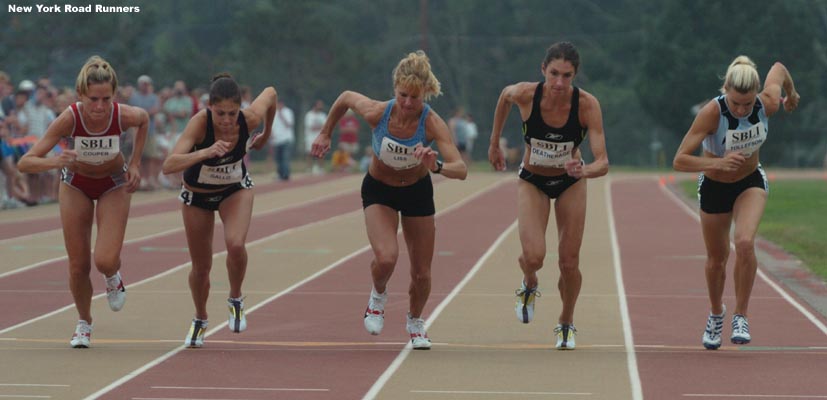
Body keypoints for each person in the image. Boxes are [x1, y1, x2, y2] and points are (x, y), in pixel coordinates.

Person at [311, 50, 467, 350]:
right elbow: (344, 97)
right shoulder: (377, 112)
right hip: (379, 190)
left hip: (417, 192)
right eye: (403, 95)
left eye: (415, 97)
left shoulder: (432, 123)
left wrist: (435, 166)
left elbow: (460, 169)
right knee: (386, 257)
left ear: (426, 94)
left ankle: (415, 321)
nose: (408, 104)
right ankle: (377, 296)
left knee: (422, 272)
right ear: (395, 89)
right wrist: (325, 133)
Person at [17, 56, 149, 348]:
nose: (100, 107)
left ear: (114, 96)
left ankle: (113, 275)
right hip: (75, 186)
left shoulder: (122, 115)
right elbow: (25, 163)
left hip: (113, 184)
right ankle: (84, 322)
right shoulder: (69, 118)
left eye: (106, 98)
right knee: (78, 265)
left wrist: (136, 163)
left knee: (104, 259)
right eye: (93, 100)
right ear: (80, 96)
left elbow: (144, 120)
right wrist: (56, 161)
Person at [488, 42, 608, 350]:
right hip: (533, 181)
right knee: (534, 257)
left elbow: (603, 161)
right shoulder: (526, 94)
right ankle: (529, 284)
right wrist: (493, 144)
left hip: (570, 182)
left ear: (575, 76)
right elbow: (503, 97)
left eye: (566, 76)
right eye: (554, 74)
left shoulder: (587, 105)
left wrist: (585, 170)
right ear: (543, 70)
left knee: (569, 262)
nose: (558, 83)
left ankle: (566, 323)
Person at [673, 56, 799, 350]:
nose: (742, 109)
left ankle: (741, 315)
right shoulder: (711, 113)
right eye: (736, 103)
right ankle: (717, 313)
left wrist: (790, 94)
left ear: (756, 93)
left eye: (747, 103)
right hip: (715, 186)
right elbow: (680, 160)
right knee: (717, 260)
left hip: (750, 182)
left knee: (744, 243)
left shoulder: (766, 103)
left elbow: (779, 68)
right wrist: (717, 164)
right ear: (725, 89)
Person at [162, 73, 276, 348]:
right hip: (197, 196)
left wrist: (265, 134)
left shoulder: (248, 120)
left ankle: (235, 299)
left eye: (231, 113)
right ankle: (200, 318)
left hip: (234, 190)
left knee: (235, 244)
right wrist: (204, 152)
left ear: (240, 109)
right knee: (201, 268)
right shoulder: (199, 125)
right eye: (220, 113)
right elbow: (169, 165)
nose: (226, 120)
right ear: (209, 107)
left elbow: (271, 92)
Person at [269, 99, 295, 181]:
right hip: (277, 140)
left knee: (285, 158)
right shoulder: (273, 113)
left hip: (286, 139)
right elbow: (271, 125)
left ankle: (286, 175)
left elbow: (289, 124)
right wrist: (271, 135)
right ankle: (280, 174)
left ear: (282, 104)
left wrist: (281, 116)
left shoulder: (288, 112)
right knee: (278, 158)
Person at [304, 99, 327, 174]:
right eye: (319, 104)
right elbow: (310, 127)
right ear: (315, 105)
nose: (321, 106)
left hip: (320, 137)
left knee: (321, 153)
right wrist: (320, 127)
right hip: (310, 137)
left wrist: (319, 128)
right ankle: (309, 168)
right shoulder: (309, 115)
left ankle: (321, 168)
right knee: (309, 153)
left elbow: (325, 127)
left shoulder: (323, 115)